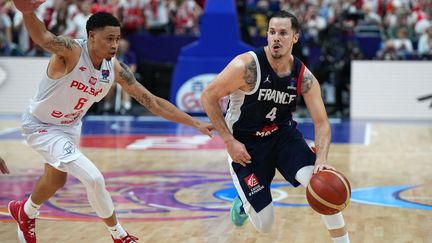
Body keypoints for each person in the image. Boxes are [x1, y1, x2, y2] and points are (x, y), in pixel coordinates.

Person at [8, 1, 213, 243]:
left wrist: (194, 123)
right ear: (91, 37)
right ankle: (119, 235)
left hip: (70, 126)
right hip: (41, 125)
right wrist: (28, 11)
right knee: (93, 178)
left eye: (117, 38)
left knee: (56, 179)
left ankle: (26, 211)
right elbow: (43, 37)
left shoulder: (114, 68)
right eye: (109, 39)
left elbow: (152, 102)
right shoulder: (72, 51)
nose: (115, 45)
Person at [201, 11, 350, 243]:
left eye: (282, 33)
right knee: (266, 224)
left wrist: (321, 159)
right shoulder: (246, 66)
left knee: (324, 183)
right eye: (272, 32)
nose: (276, 38)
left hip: (283, 136)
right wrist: (229, 141)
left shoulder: (304, 76)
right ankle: (242, 203)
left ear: (295, 38)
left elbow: (321, 123)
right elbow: (209, 96)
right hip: (246, 145)